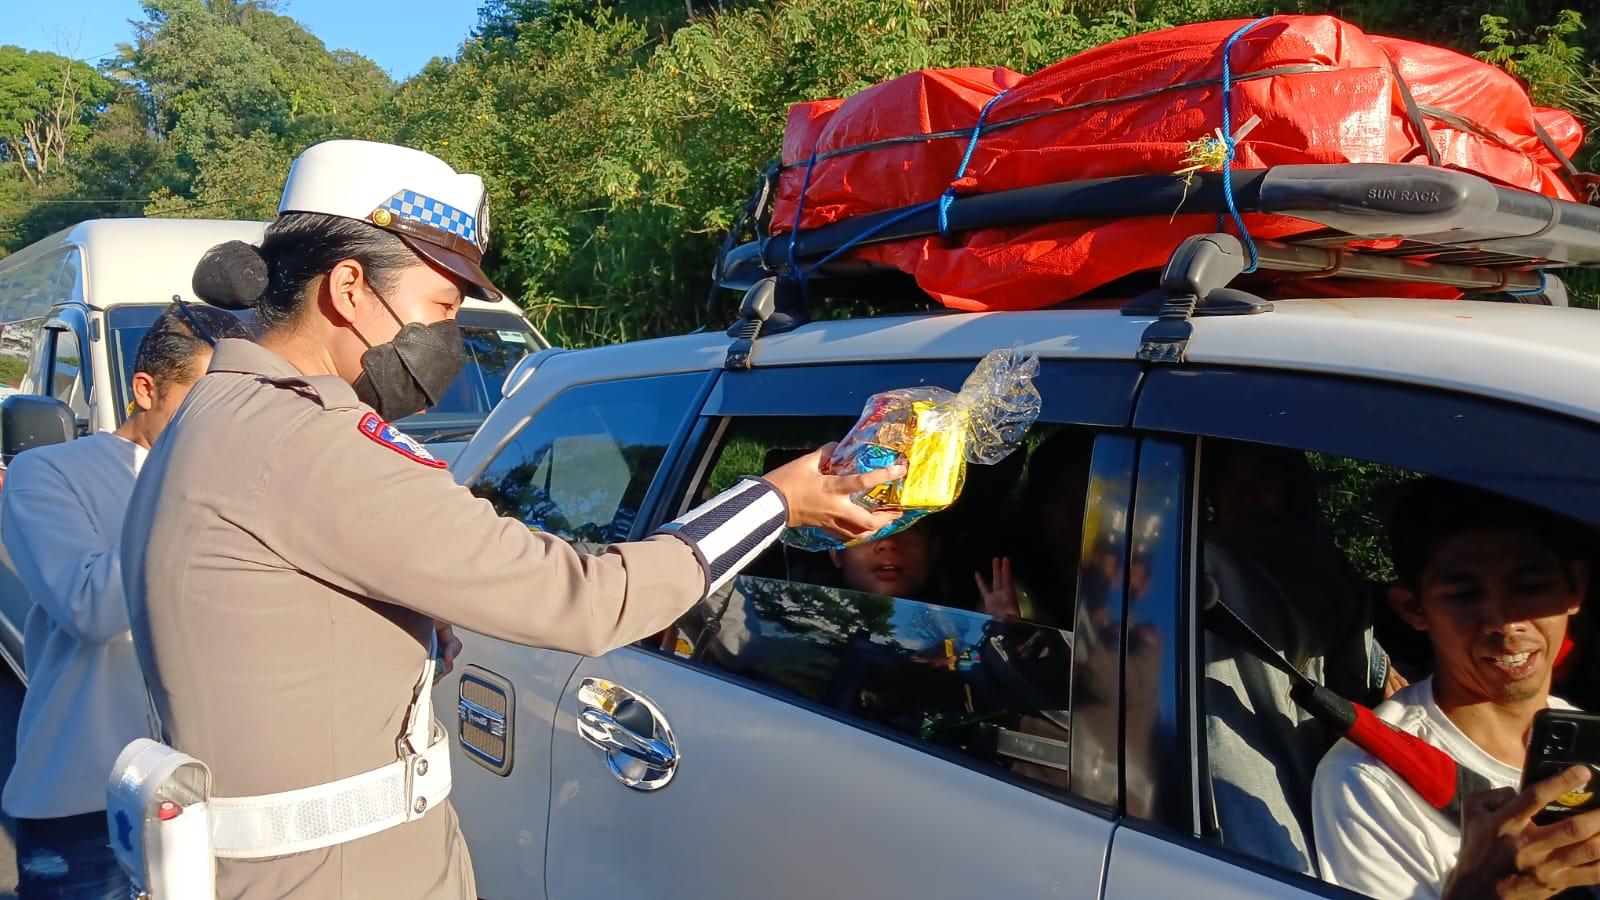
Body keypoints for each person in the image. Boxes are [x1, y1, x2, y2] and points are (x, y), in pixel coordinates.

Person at [118, 139, 903, 899]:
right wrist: (777, 500)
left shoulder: (221, 414)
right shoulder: (312, 442)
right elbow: (590, 600)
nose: (447, 340)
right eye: (440, 308)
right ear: (349, 288)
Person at [1, 301, 248, 898]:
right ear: (145, 390)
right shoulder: (48, 473)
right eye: (204, 401)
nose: (224, 425)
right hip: (86, 801)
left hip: (217, 799)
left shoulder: (246, 485)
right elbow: (91, 608)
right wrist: (200, 496)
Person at [1312, 478, 1600, 899]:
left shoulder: (1588, 738)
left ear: (1575, 589)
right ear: (1413, 608)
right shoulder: (1367, 781)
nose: (1504, 624)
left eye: (1529, 588)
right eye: (1464, 595)